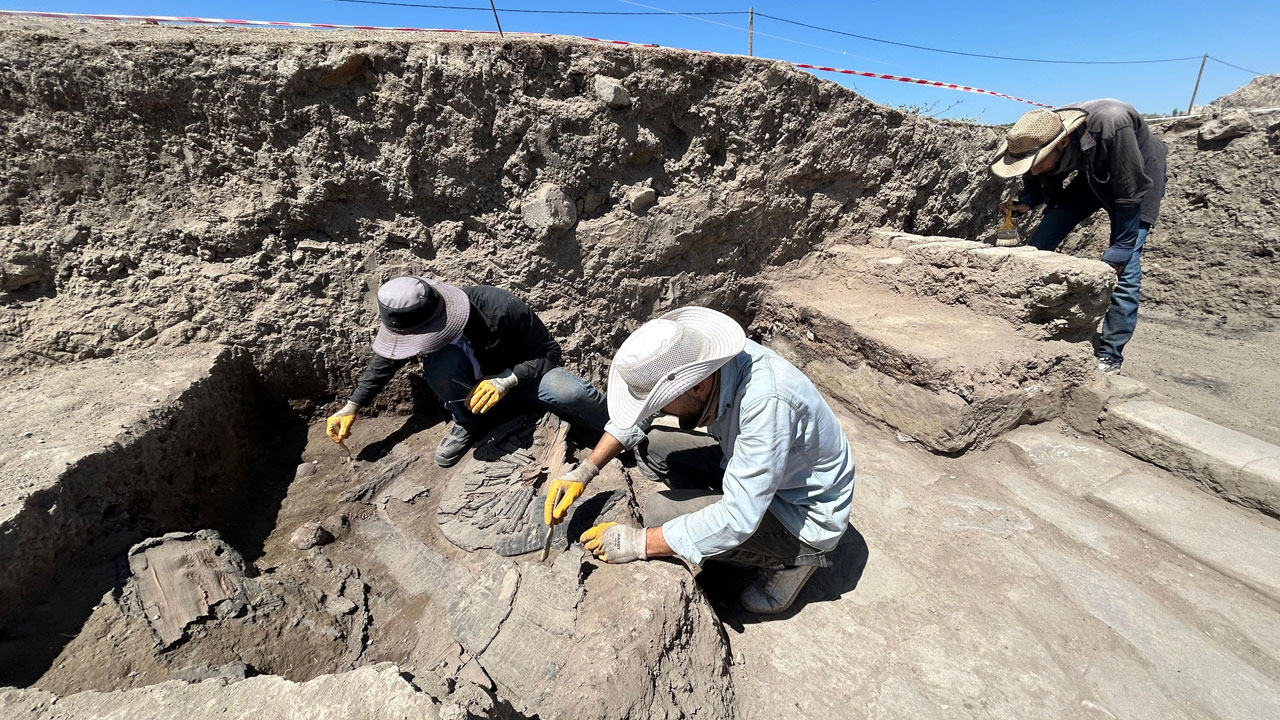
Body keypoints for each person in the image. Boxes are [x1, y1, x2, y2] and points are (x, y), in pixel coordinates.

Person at [542, 306, 856, 615]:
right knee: (652, 447)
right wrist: (585, 471)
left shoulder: (766, 403)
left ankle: (794, 562)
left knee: (659, 513)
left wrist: (638, 542)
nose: (659, 411)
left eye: (663, 403)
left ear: (697, 385)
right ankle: (713, 515)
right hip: (760, 463)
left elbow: (738, 517)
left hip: (803, 514)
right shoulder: (708, 363)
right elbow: (638, 419)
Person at [325, 276, 607, 467]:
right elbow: (385, 361)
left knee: (574, 392)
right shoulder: (415, 324)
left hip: (524, 380)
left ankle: (620, 432)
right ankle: (469, 422)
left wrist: (508, 379)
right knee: (439, 366)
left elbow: (549, 352)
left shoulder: (500, 307)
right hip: (472, 397)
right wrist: (352, 405)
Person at [991, 99, 1167, 375]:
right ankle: (1025, 320)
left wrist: (1121, 246)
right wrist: (1028, 199)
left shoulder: (1112, 124)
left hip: (1137, 175)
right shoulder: (1039, 131)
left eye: (1038, 162)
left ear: (1061, 143)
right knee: (1040, 243)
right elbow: (1036, 174)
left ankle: (1110, 355)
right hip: (1090, 174)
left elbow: (1129, 192)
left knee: (1124, 266)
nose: (1033, 169)